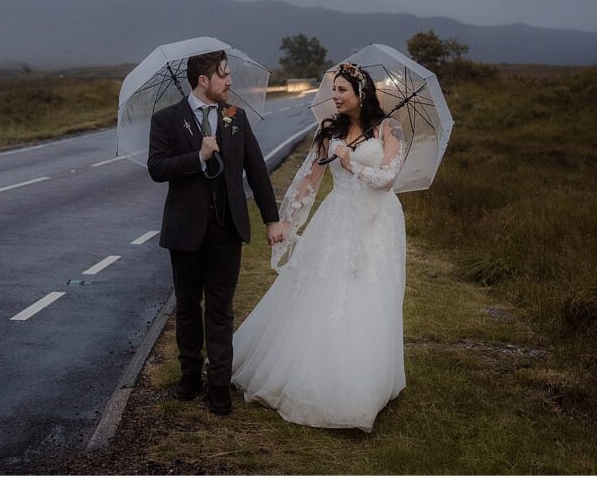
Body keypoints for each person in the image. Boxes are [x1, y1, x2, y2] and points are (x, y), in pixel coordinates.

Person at [231, 62, 407, 432]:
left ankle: (368, 379)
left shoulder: (388, 128)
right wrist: (284, 224)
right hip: (339, 219)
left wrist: (352, 163)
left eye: (342, 90)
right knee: (328, 291)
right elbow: (307, 184)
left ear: (362, 93)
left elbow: (388, 179)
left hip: (379, 223)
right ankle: (319, 377)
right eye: (334, 91)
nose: (336, 97)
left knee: (373, 293)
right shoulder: (329, 132)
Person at [147, 49, 287, 415]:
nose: (230, 82)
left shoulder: (236, 118)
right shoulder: (166, 119)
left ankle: (219, 384)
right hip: (185, 231)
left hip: (228, 229)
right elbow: (157, 167)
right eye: (223, 75)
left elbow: (257, 170)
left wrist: (272, 219)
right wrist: (199, 157)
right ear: (203, 80)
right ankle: (189, 377)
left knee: (221, 309)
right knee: (189, 307)